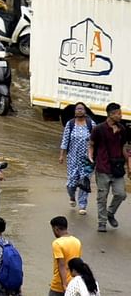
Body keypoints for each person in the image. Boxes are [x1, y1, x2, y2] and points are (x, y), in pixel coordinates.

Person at [87, 102, 129, 232]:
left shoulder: (122, 129)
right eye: (118, 114)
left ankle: (110, 212)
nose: (120, 116)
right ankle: (102, 222)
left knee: (121, 194)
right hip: (103, 167)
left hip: (117, 168)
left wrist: (129, 165)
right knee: (102, 196)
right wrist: (90, 156)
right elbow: (92, 144)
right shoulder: (98, 129)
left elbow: (124, 148)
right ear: (111, 115)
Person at [60, 102, 96, 215]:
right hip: (72, 159)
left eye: (82, 109)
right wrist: (61, 155)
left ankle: (82, 205)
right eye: (77, 109)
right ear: (75, 112)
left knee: (84, 182)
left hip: (86, 160)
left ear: (85, 111)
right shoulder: (70, 124)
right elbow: (65, 140)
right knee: (71, 183)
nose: (79, 110)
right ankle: (72, 197)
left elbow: (95, 141)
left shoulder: (91, 124)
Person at [49, 216, 82, 296]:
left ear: (56, 229)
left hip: (59, 285)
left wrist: (64, 284)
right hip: (73, 283)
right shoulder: (77, 241)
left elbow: (61, 265)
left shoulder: (57, 243)